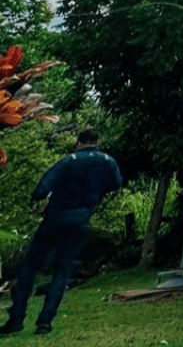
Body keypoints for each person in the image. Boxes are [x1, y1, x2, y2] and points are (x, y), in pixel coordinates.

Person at [2, 130, 122, 337]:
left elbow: (41, 190)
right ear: (97, 142)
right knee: (62, 272)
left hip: (55, 219)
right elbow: (116, 184)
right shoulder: (108, 161)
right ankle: (45, 322)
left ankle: (16, 318)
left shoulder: (69, 161)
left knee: (29, 268)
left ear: (78, 143)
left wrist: (43, 198)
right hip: (80, 221)